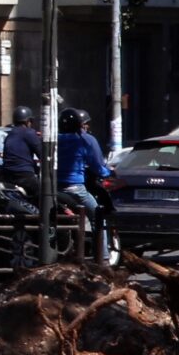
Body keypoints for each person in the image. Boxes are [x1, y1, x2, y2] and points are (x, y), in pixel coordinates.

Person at [55, 107, 113, 259]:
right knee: (97, 216)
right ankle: (103, 258)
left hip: (54, 189)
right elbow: (96, 165)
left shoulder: (54, 140)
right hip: (75, 189)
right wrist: (109, 173)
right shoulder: (83, 141)